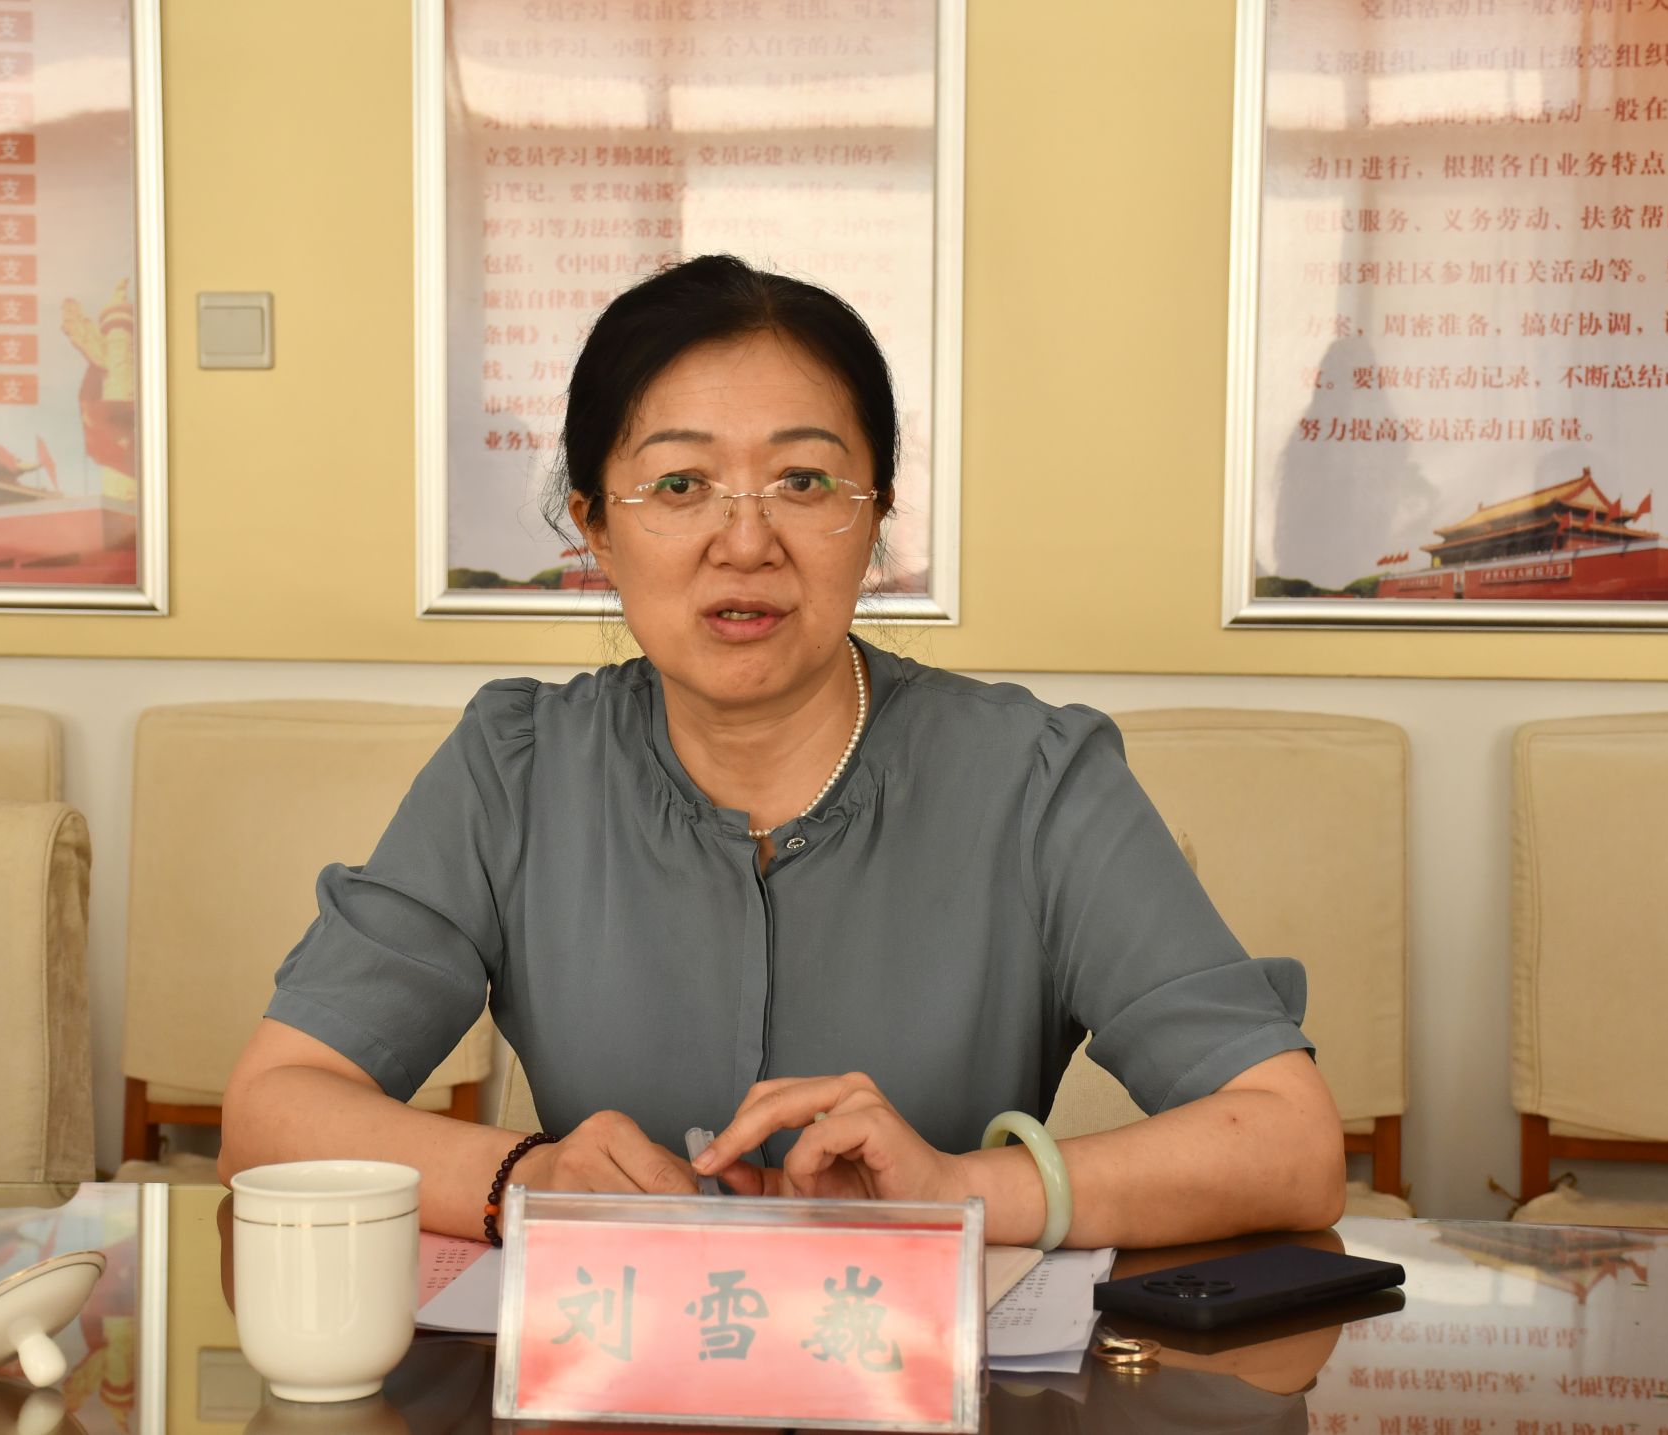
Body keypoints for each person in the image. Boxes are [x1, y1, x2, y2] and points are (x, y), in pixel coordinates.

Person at [218, 255, 1346, 1250]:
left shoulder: (1035, 779)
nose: (745, 540)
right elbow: (274, 1108)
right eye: (679, 485)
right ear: (596, 527)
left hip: (921, 1374)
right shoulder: (515, 768)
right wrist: (526, 1178)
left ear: (876, 513)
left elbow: (1288, 1142)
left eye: (803, 482)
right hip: (617, 1368)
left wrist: (959, 1191)